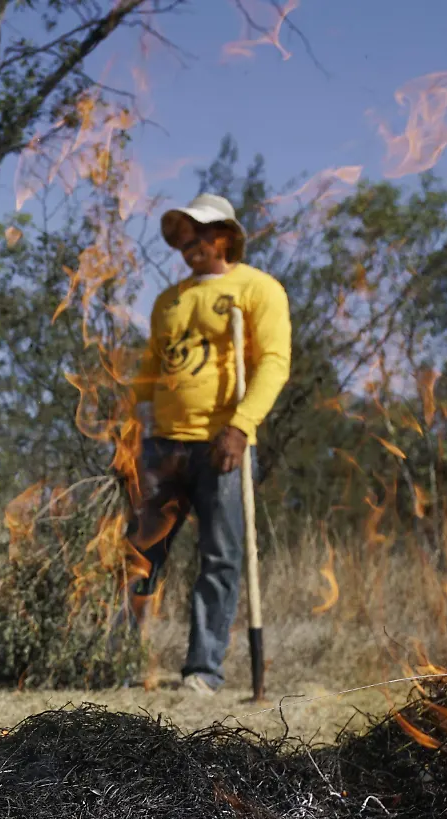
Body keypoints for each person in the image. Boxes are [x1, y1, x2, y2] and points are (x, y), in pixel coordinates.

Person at [127, 192, 291, 694]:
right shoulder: (168, 300)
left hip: (222, 443)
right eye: (180, 237)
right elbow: (151, 369)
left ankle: (203, 670)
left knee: (219, 556)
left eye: (197, 233)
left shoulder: (257, 289)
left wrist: (240, 427)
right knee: (141, 552)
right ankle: (131, 662)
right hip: (162, 446)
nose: (187, 244)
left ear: (224, 235)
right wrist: (132, 427)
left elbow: (274, 362)